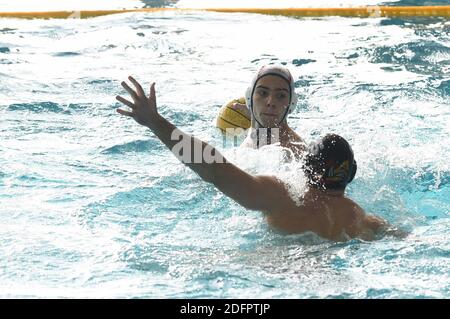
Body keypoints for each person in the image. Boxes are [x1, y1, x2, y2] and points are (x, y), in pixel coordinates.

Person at [116, 76, 389, 242]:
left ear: (305, 168)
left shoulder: (282, 196)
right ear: (351, 174)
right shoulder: (363, 219)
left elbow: (214, 169)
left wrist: (155, 122)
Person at [217, 65, 306, 157]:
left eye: (280, 95)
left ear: (292, 103)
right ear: (249, 98)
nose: (270, 102)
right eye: (263, 93)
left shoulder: (294, 152)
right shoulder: (255, 136)